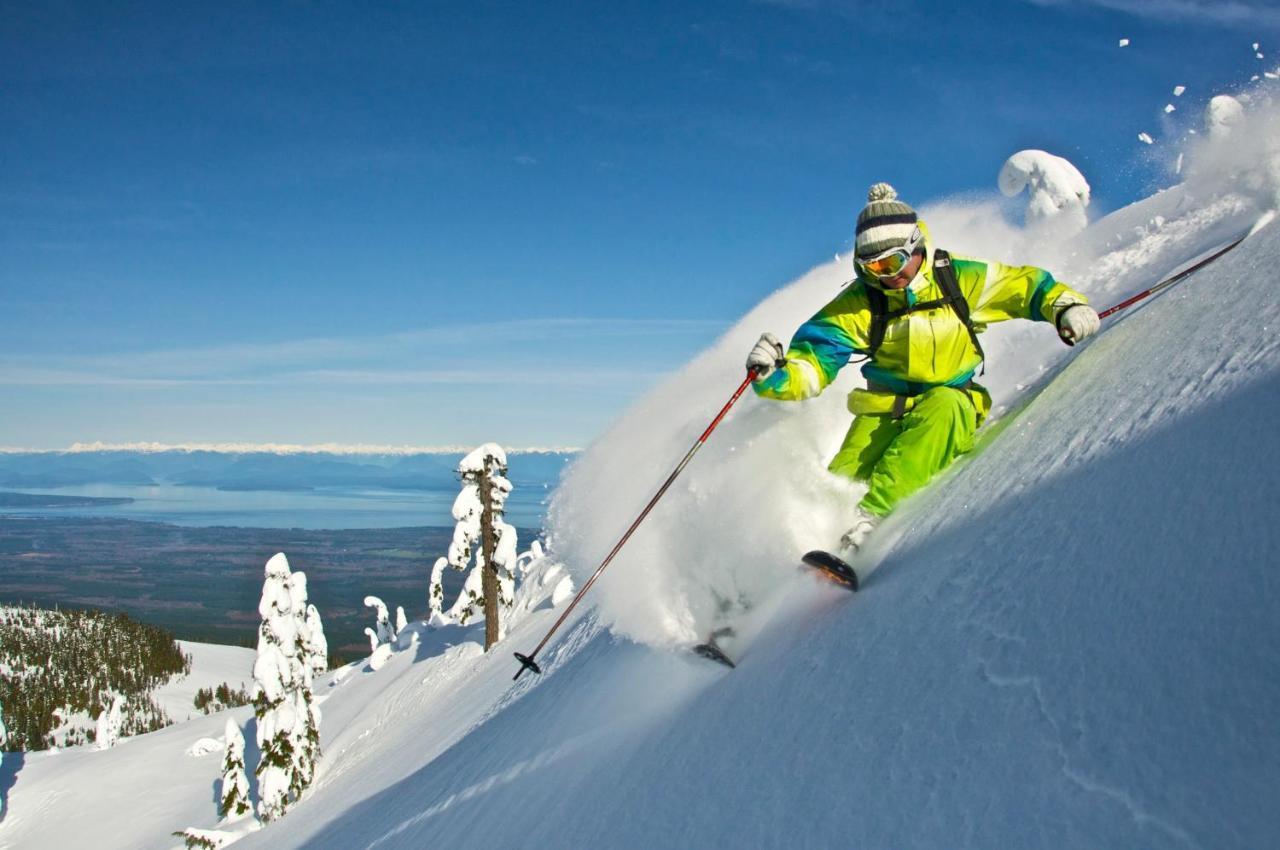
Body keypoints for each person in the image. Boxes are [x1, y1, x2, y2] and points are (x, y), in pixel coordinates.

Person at [747, 183, 1099, 560]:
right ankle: (773, 581)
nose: (885, 276)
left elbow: (1025, 288)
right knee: (840, 482)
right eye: (872, 268)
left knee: (936, 419)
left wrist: (1065, 307)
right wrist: (776, 377)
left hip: (951, 401)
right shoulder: (862, 302)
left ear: (916, 246)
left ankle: (869, 526)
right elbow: (815, 360)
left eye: (892, 262)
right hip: (883, 409)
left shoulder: (958, 278)